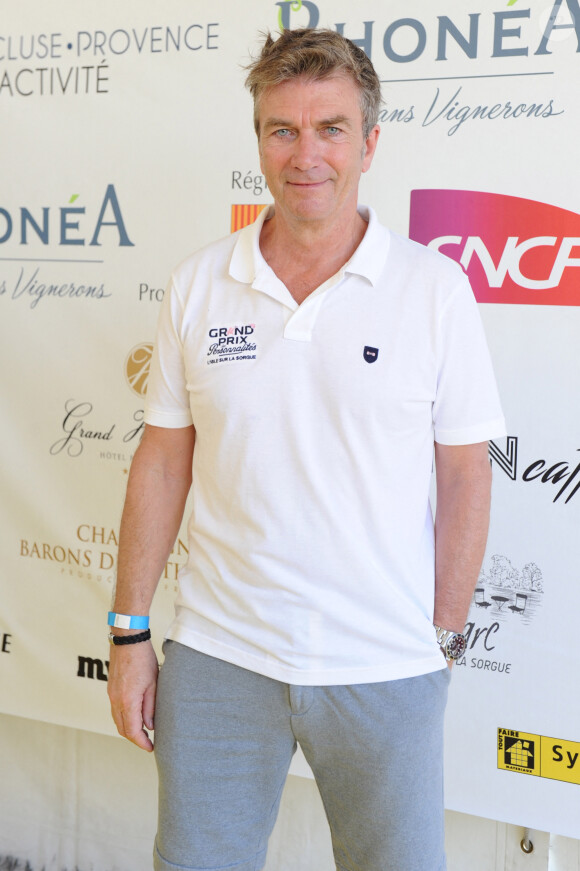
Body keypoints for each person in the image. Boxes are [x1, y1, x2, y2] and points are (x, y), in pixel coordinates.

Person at [107, 27, 505, 871]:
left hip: (386, 665)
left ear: (369, 142)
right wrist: (129, 630)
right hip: (219, 658)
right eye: (281, 129)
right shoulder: (198, 283)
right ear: (257, 140)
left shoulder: (433, 290)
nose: (306, 153)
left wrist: (441, 637)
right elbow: (162, 461)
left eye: (330, 128)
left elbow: (467, 472)